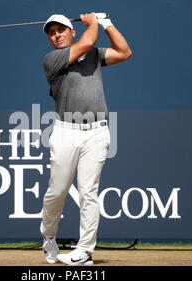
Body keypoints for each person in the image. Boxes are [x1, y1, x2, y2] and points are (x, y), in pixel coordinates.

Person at [40, 12, 132, 265]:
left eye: (61, 30)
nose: (56, 35)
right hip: (65, 131)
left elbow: (124, 52)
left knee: (88, 192)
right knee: (57, 191)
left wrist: (107, 24)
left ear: (72, 31)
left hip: (97, 131)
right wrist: (93, 23)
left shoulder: (94, 54)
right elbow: (87, 43)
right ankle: (48, 236)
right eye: (51, 32)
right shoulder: (52, 59)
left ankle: (85, 250)